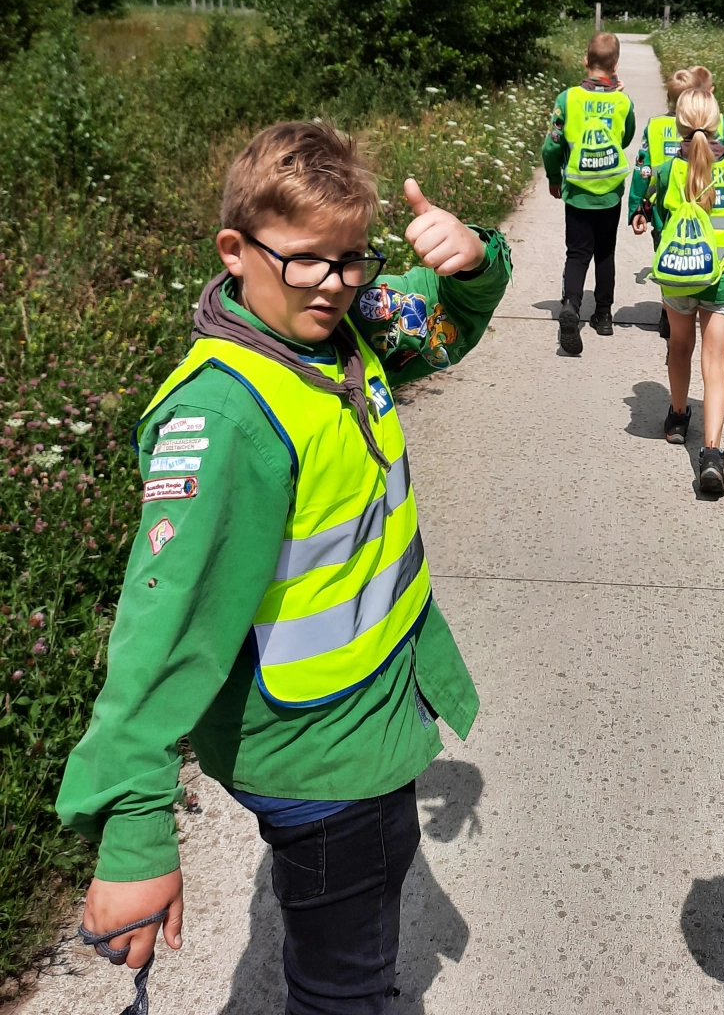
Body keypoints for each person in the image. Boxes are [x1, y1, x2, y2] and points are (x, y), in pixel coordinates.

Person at [57, 121, 512, 1015]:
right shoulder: (227, 418)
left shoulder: (336, 332)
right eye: (307, 260)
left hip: (366, 719)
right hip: (324, 763)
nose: (336, 284)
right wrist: (135, 832)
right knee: (343, 993)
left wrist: (474, 258)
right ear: (235, 251)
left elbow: (443, 323)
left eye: (354, 259)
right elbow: (162, 628)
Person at [647, 88, 724, 497]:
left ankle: (678, 418)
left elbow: (659, 224)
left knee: (679, 347)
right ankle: (711, 454)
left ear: (678, 125)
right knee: (716, 364)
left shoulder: (667, 171)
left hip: (679, 278)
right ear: (717, 124)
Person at [541, 30, 636, 356]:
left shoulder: (567, 99)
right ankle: (604, 315)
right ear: (616, 65)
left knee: (577, 253)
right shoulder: (623, 101)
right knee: (605, 252)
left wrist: (554, 176)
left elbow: (552, 146)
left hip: (578, 191)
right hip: (609, 192)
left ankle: (571, 305)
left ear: (585, 60)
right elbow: (625, 138)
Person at [628, 66, 724, 341]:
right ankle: (702, 299)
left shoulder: (655, 126)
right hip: (709, 205)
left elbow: (643, 170)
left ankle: (671, 310)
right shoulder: (721, 124)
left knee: (670, 254)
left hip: (665, 210)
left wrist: (637, 206)